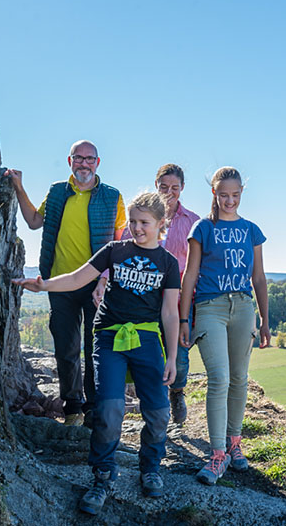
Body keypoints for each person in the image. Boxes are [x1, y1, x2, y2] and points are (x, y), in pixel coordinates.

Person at [13, 192, 180, 515]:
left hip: (146, 340)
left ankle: (150, 467)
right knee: (109, 409)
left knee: (159, 413)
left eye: (144, 223)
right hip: (109, 337)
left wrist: (172, 357)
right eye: (132, 221)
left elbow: (170, 313)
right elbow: (78, 278)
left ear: (162, 224)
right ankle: (102, 476)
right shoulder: (114, 251)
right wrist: (43, 285)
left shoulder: (168, 263)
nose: (136, 228)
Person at [5, 140, 126, 426]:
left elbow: (120, 242)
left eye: (90, 159)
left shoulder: (112, 196)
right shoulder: (58, 192)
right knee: (66, 348)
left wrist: (106, 278)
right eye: (78, 158)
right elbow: (35, 221)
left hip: (97, 286)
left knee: (94, 348)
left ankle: (94, 410)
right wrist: (19, 188)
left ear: (98, 162)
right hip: (59, 283)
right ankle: (72, 408)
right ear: (70, 161)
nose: (84, 163)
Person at [179, 166, 270, 485]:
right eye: (223, 195)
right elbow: (189, 275)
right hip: (209, 308)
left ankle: (235, 444)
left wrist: (265, 321)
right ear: (214, 194)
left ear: (241, 193)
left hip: (244, 308)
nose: (230, 200)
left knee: (239, 378)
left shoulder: (251, 231)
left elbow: (258, 278)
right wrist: (182, 319)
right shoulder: (202, 228)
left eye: (235, 195)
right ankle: (217, 454)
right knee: (218, 378)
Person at [94, 163, 199, 424]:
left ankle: (176, 392)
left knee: (179, 354)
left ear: (182, 188)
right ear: (156, 186)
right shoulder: (139, 216)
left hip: (179, 297)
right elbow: (120, 254)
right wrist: (103, 280)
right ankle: (156, 408)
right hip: (143, 295)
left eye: (175, 187)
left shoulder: (193, 222)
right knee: (151, 353)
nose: (169, 192)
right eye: (164, 186)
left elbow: (199, 261)